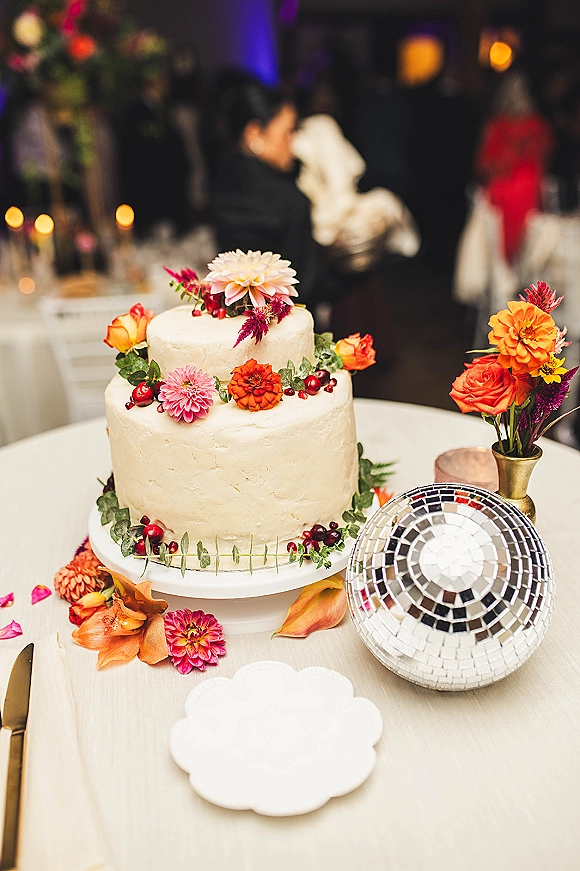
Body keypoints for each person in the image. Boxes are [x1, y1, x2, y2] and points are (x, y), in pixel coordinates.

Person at [207, 75, 320, 303]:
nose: (293, 142)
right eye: (287, 132)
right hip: (284, 319)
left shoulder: (220, 184)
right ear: (254, 133)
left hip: (236, 311)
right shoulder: (290, 201)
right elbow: (305, 286)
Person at [475, 71, 553, 265]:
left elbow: (484, 165)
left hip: (509, 190)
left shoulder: (500, 125)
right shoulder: (535, 126)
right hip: (525, 191)